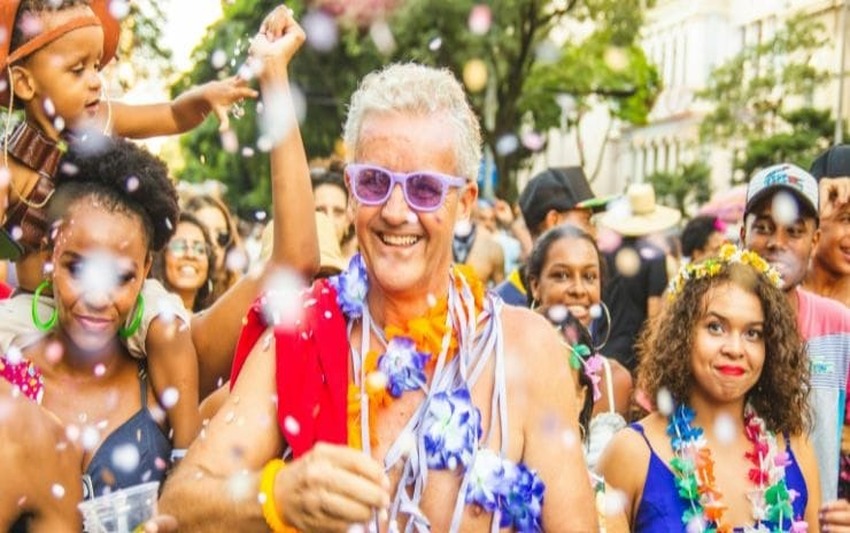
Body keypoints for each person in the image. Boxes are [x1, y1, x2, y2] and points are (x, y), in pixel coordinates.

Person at [160, 33, 597, 532]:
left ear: (467, 202)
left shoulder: (526, 350)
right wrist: (274, 495)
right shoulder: (301, 330)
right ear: (350, 191)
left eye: (425, 189)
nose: (395, 211)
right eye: (374, 182)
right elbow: (179, 503)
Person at [0, 0, 257, 450]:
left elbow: (171, 115)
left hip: (123, 298)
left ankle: (185, 447)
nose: (96, 80)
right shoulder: (9, 168)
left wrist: (202, 98)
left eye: (96, 65)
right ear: (23, 81)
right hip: (38, 310)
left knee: (168, 327)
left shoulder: (104, 120)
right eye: (77, 70)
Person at [1, 135, 181, 505]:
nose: (97, 298)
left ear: (146, 269)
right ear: (50, 256)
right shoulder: (8, 366)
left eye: (120, 276)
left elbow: (293, 263)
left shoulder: (166, 364)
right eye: (78, 268)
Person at [599, 245, 820, 530]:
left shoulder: (794, 447)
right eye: (716, 327)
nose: (735, 349)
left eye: (753, 333)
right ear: (682, 334)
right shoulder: (630, 453)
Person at [739, 162, 850, 504]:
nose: (777, 243)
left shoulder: (839, 327)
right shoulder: (714, 320)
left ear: (814, 240)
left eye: (795, 231)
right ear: (742, 235)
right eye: (764, 227)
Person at [525, 224, 632, 423]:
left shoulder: (616, 381)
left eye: (589, 277)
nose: (579, 290)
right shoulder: (508, 368)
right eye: (562, 275)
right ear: (535, 286)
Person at [596, 182, 681, 372]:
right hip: (632, 356)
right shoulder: (655, 257)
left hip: (602, 347)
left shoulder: (606, 255)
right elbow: (654, 314)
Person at [494, 165, 604, 307]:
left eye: (589, 277)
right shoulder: (500, 310)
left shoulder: (590, 303)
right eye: (587, 220)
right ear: (554, 221)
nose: (596, 234)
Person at [150, 212, 215, 313]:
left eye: (199, 249)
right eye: (179, 246)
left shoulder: (217, 316)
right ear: (162, 257)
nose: (190, 255)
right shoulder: (147, 311)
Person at [452, 201, 505, 286]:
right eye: (483, 218)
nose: (487, 224)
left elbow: (502, 294)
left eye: (492, 219)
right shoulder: (439, 245)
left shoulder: (495, 249)